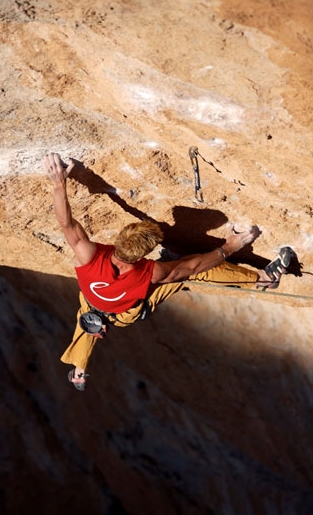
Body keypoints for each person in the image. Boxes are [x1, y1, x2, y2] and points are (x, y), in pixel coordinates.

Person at [44, 152, 294, 391]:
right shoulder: (151, 274)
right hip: (128, 312)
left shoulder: (88, 255)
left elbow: (66, 223)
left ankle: (79, 368)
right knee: (195, 272)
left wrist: (58, 184)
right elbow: (193, 267)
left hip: (92, 302)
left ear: (119, 241)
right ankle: (263, 279)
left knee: (86, 318)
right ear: (142, 256)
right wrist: (228, 247)